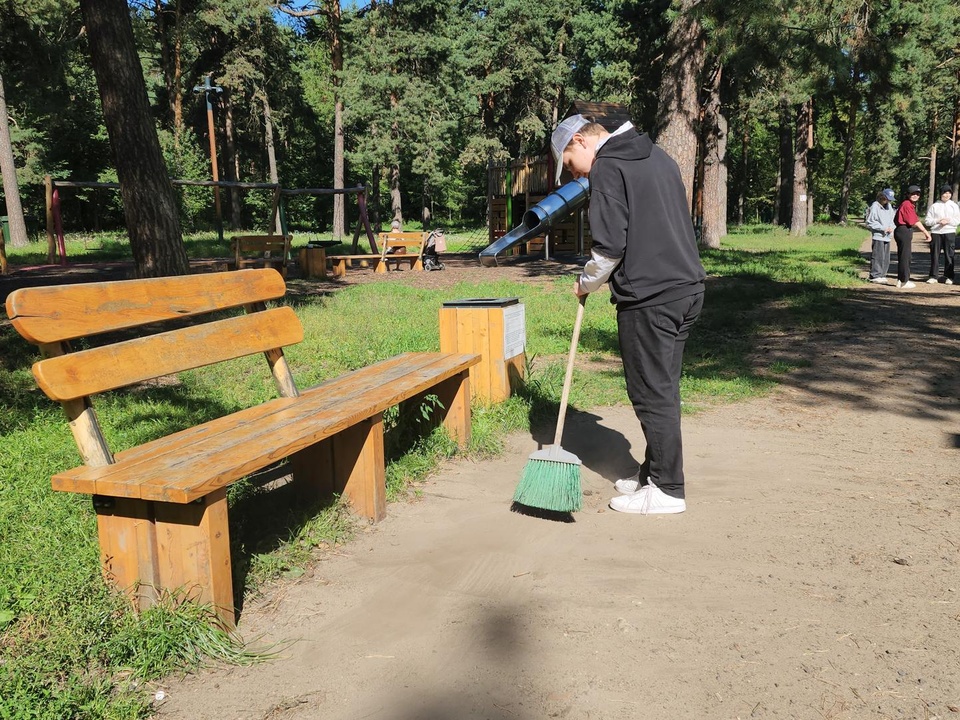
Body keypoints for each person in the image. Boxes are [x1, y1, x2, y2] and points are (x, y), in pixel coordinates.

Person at [552, 114, 705, 515]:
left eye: (569, 164)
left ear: (582, 142)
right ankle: (654, 473)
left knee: (651, 393)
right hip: (686, 290)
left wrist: (585, 283)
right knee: (663, 388)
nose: (573, 175)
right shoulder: (657, 156)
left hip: (650, 296)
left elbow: (608, 248)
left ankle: (668, 490)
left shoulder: (608, 167)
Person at [893, 185, 930, 289]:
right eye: (913, 193)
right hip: (904, 230)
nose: (915, 196)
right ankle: (904, 280)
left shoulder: (909, 204)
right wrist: (925, 232)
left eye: (917, 194)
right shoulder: (907, 205)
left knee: (903, 256)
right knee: (906, 256)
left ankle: (900, 280)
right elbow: (914, 221)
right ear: (908, 194)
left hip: (902, 230)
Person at [924, 185, 960, 284]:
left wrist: (948, 221)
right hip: (936, 232)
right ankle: (933, 276)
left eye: (949, 193)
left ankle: (949, 276)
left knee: (949, 255)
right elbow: (928, 221)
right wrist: (938, 221)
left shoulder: (954, 205)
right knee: (935, 255)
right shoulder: (935, 206)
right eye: (945, 193)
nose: (947, 195)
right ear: (941, 194)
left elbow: (957, 220)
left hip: (949, 232)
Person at [865, 188, 896, 284]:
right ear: (882, 196)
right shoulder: (875, 206)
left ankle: (882, 274)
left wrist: (891, 227)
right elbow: (870, 222)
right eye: (886, 198)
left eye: (889, 199)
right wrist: (882, 228)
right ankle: (875, 275)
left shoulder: (889, 207)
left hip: (887, 236)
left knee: (886, 257)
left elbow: (892, 219)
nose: (888, 201)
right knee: (878, 256)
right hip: (878, 235)